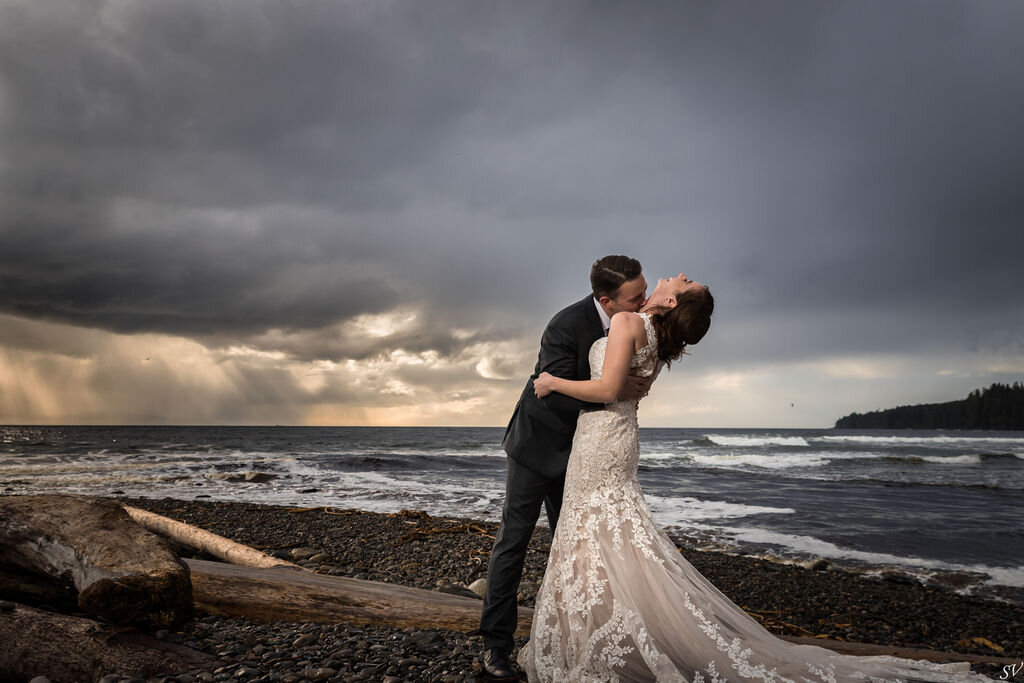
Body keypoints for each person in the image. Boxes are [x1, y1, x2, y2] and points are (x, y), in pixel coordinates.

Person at [517, 274, 989, 682]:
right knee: (608, 536)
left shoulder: (626, 323)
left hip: (601, 439)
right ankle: (600, 633)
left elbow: (607, 388)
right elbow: (625, 387)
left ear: (673, 302)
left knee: (595, 536)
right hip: (618, 438)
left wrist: (551, 382)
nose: (676, 276)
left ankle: (595, 644)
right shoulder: (661, 338)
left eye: (683, 282)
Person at [479, 255, 653, 680]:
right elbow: (549, 393)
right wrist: (613, 393)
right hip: (537, 446)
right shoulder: (565, 325)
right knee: (513, 542)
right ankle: (493, 647)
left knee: (576, 551)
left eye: (646, 291)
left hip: (585, 453)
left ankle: (575, 646)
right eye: (636, 297)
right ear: (606, 300)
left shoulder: (634, 321)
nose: (643, 301)